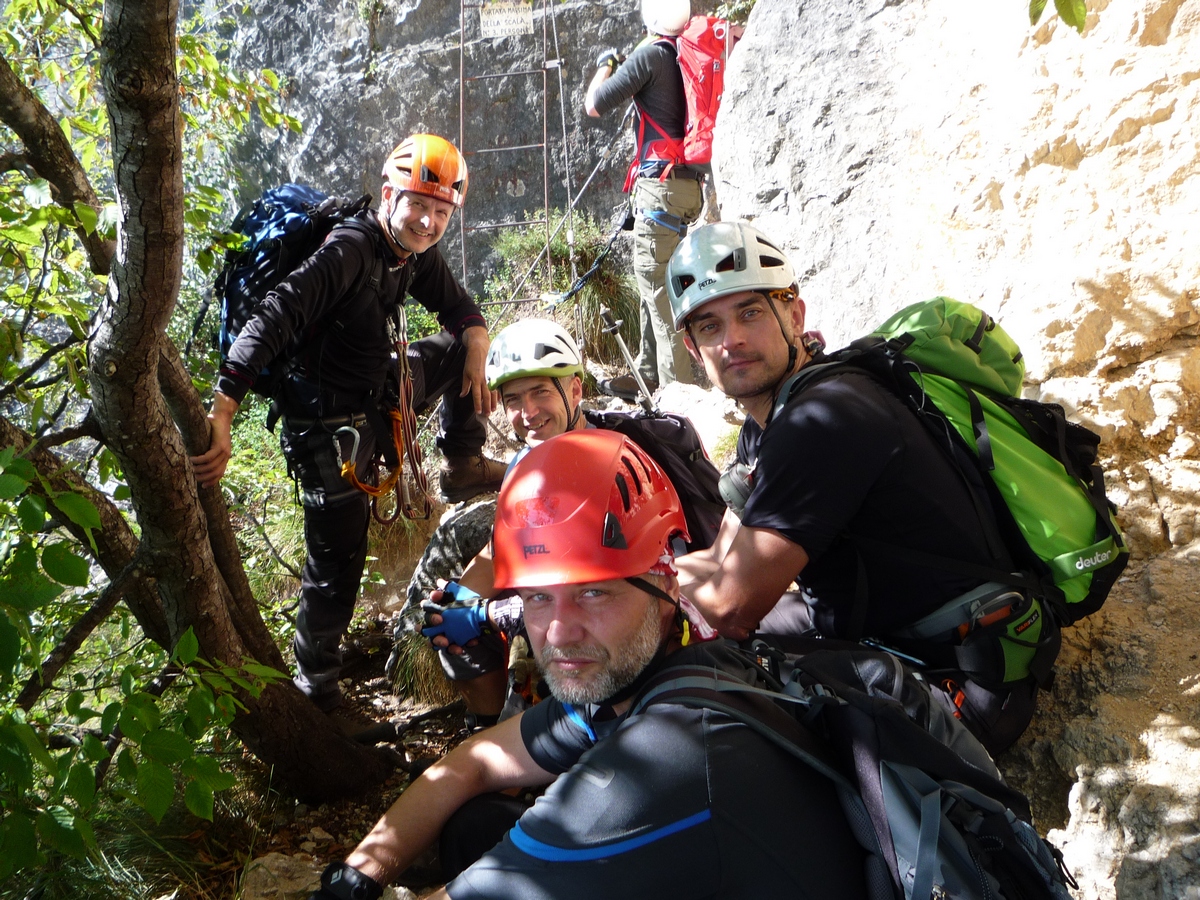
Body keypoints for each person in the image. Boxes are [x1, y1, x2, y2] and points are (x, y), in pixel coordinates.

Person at [308, 430, 868, 900]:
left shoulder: (668, 757)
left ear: (666, 585)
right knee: (475, 825)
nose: (558, 632)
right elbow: (470, 765)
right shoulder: (648, 674)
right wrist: (352, 880)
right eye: (537, 598)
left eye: (594, 593)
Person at [669, 220, 1052, 753]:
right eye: (710, 326)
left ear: (794, 315)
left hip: (960, 682)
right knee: (690, 638)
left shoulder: (825, 418)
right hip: (886, 641)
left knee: (693, 681)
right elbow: (719, 561)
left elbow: (731, 607)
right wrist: (636, 582)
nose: (731, 339)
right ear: (695, 350)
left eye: (750, 313)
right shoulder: (767, 424)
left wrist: (622, 608)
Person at [190, 134, 506, 712]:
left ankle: (462, 462)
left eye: (441, 212)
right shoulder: (351, 250)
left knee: (462, 346)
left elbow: (458, 307)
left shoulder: (409, 252)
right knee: (338, 558)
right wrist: (223, 412)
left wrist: (478, 337)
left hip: (377, 390)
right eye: (419, 205)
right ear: (389, 197)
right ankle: (317, 686)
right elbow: (272, 319)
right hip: (325, 421)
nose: (429, 221)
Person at [410, 317, 724, 729]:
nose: (528, 413)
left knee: (508, 635)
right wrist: (456, 602)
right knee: (454, 632)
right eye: (513, 399)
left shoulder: (618, 460)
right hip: (565, 606)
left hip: (633, 615)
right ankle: (492, 734)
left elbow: (640, 581)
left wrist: (490, 614)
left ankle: (542, 738)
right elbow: (501, 548)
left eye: (541, 392)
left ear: (575, 390)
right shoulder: (526, 467)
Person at [584, 0, 707, 399]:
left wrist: (606, 64)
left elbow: (594, 104)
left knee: (658, 289)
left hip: (660, 188)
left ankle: (678, 394)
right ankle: (648, 373)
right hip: (686, 185)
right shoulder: (687, 53)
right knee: (650, 279)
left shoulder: (650, 56)